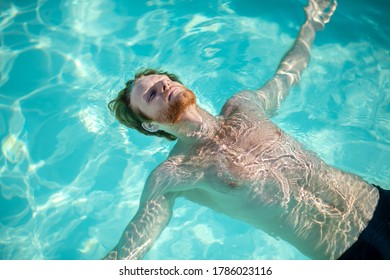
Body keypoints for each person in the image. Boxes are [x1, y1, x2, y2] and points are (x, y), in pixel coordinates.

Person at [104, 0, 390, 260]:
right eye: (151, 94)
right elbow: (137, 240)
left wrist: (310, 27)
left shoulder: (243, 106)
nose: (163, 85)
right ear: (151, 125)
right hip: (346, 252)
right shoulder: (175, 172)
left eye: (163, 79)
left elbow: (288, 75)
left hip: (375, 202)